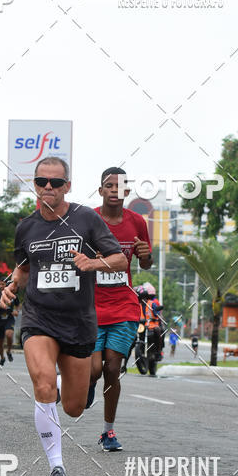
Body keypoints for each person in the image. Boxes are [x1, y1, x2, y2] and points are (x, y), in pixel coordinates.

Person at [0, 156, 127, 476]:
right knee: (42, 384)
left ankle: (71, 382)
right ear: (35, 184)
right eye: (42, 181)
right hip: (39, 317)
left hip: (79, 323)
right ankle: (56, 468)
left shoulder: (85, 219)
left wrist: (94, 262)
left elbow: (120, 259)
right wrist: (12, 288)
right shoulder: (26, 227)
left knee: (72, 408)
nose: (48, 188)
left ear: (67, 186)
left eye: (56, 183)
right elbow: (24, 268)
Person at [86, 167, 152, 451]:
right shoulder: (87, 218)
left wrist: (147, 256)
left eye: (120, 186)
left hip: (124, 303)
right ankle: (84, 383)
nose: (114, 190)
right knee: (93, 372)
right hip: (90, 304)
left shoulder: (137, 222)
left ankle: (107, 432)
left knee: (113, 367)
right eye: (108, 185)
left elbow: (145, 264)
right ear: (100, 190)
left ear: (127, 191)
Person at [0, 278, 19, 365]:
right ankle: (2, 357)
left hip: (9, 319)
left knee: (9, 334)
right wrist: (0, 306)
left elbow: (17, 305)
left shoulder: (12, 294)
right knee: (0, 342)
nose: (1, 286)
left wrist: (16, 311)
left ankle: (9, 351)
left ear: (7, 285)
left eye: (3, 284)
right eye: (0, 284)